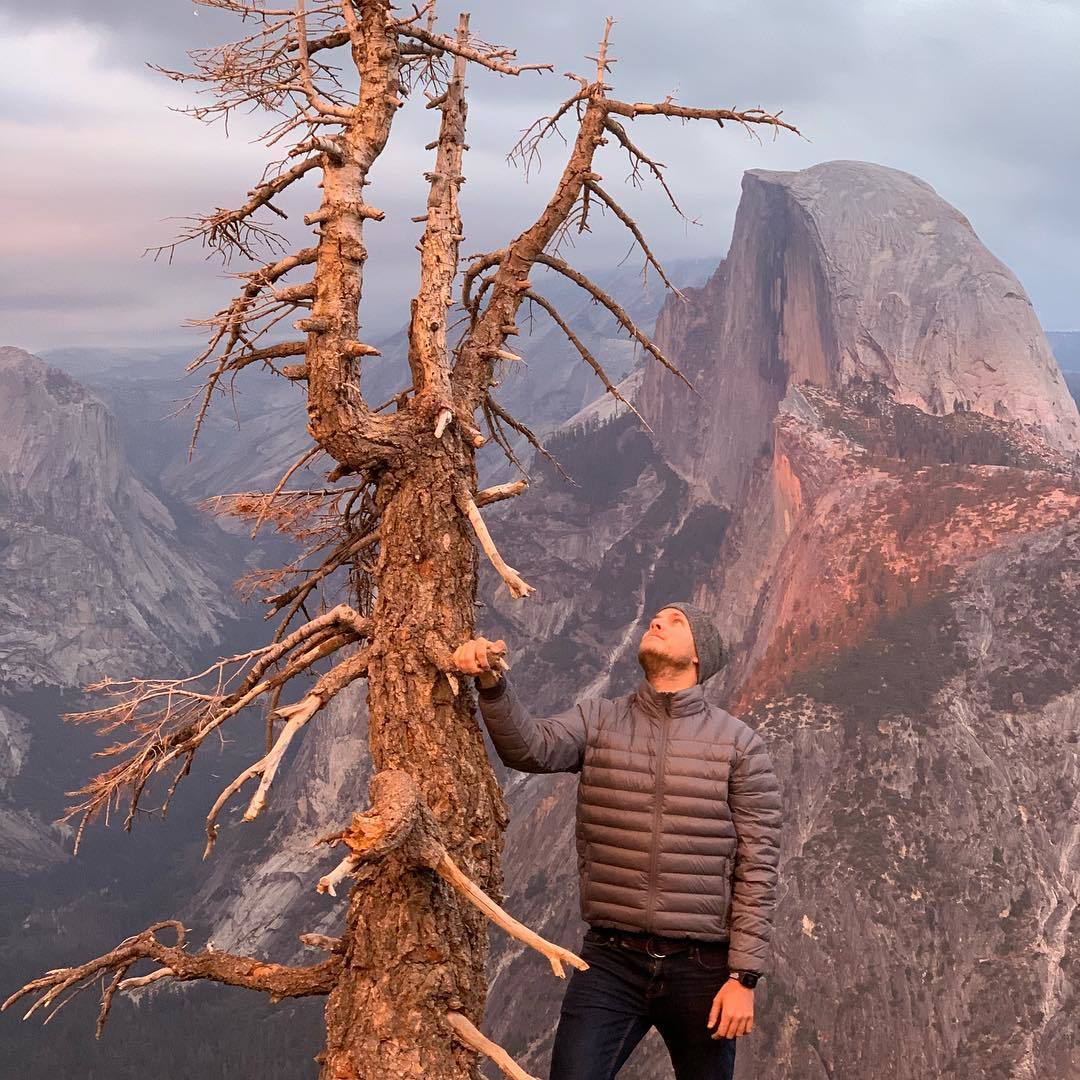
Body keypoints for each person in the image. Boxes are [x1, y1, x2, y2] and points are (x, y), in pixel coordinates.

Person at [452, 601, 782, 1080]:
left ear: (699, 657)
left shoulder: (741, 747)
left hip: (703, 970)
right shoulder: (600, 720)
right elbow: (530, 747)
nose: (657, 621)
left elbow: (758, 864)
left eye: (676, 621)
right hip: (611, 962)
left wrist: (743, 977)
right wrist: (491, 682)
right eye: (658, 616)